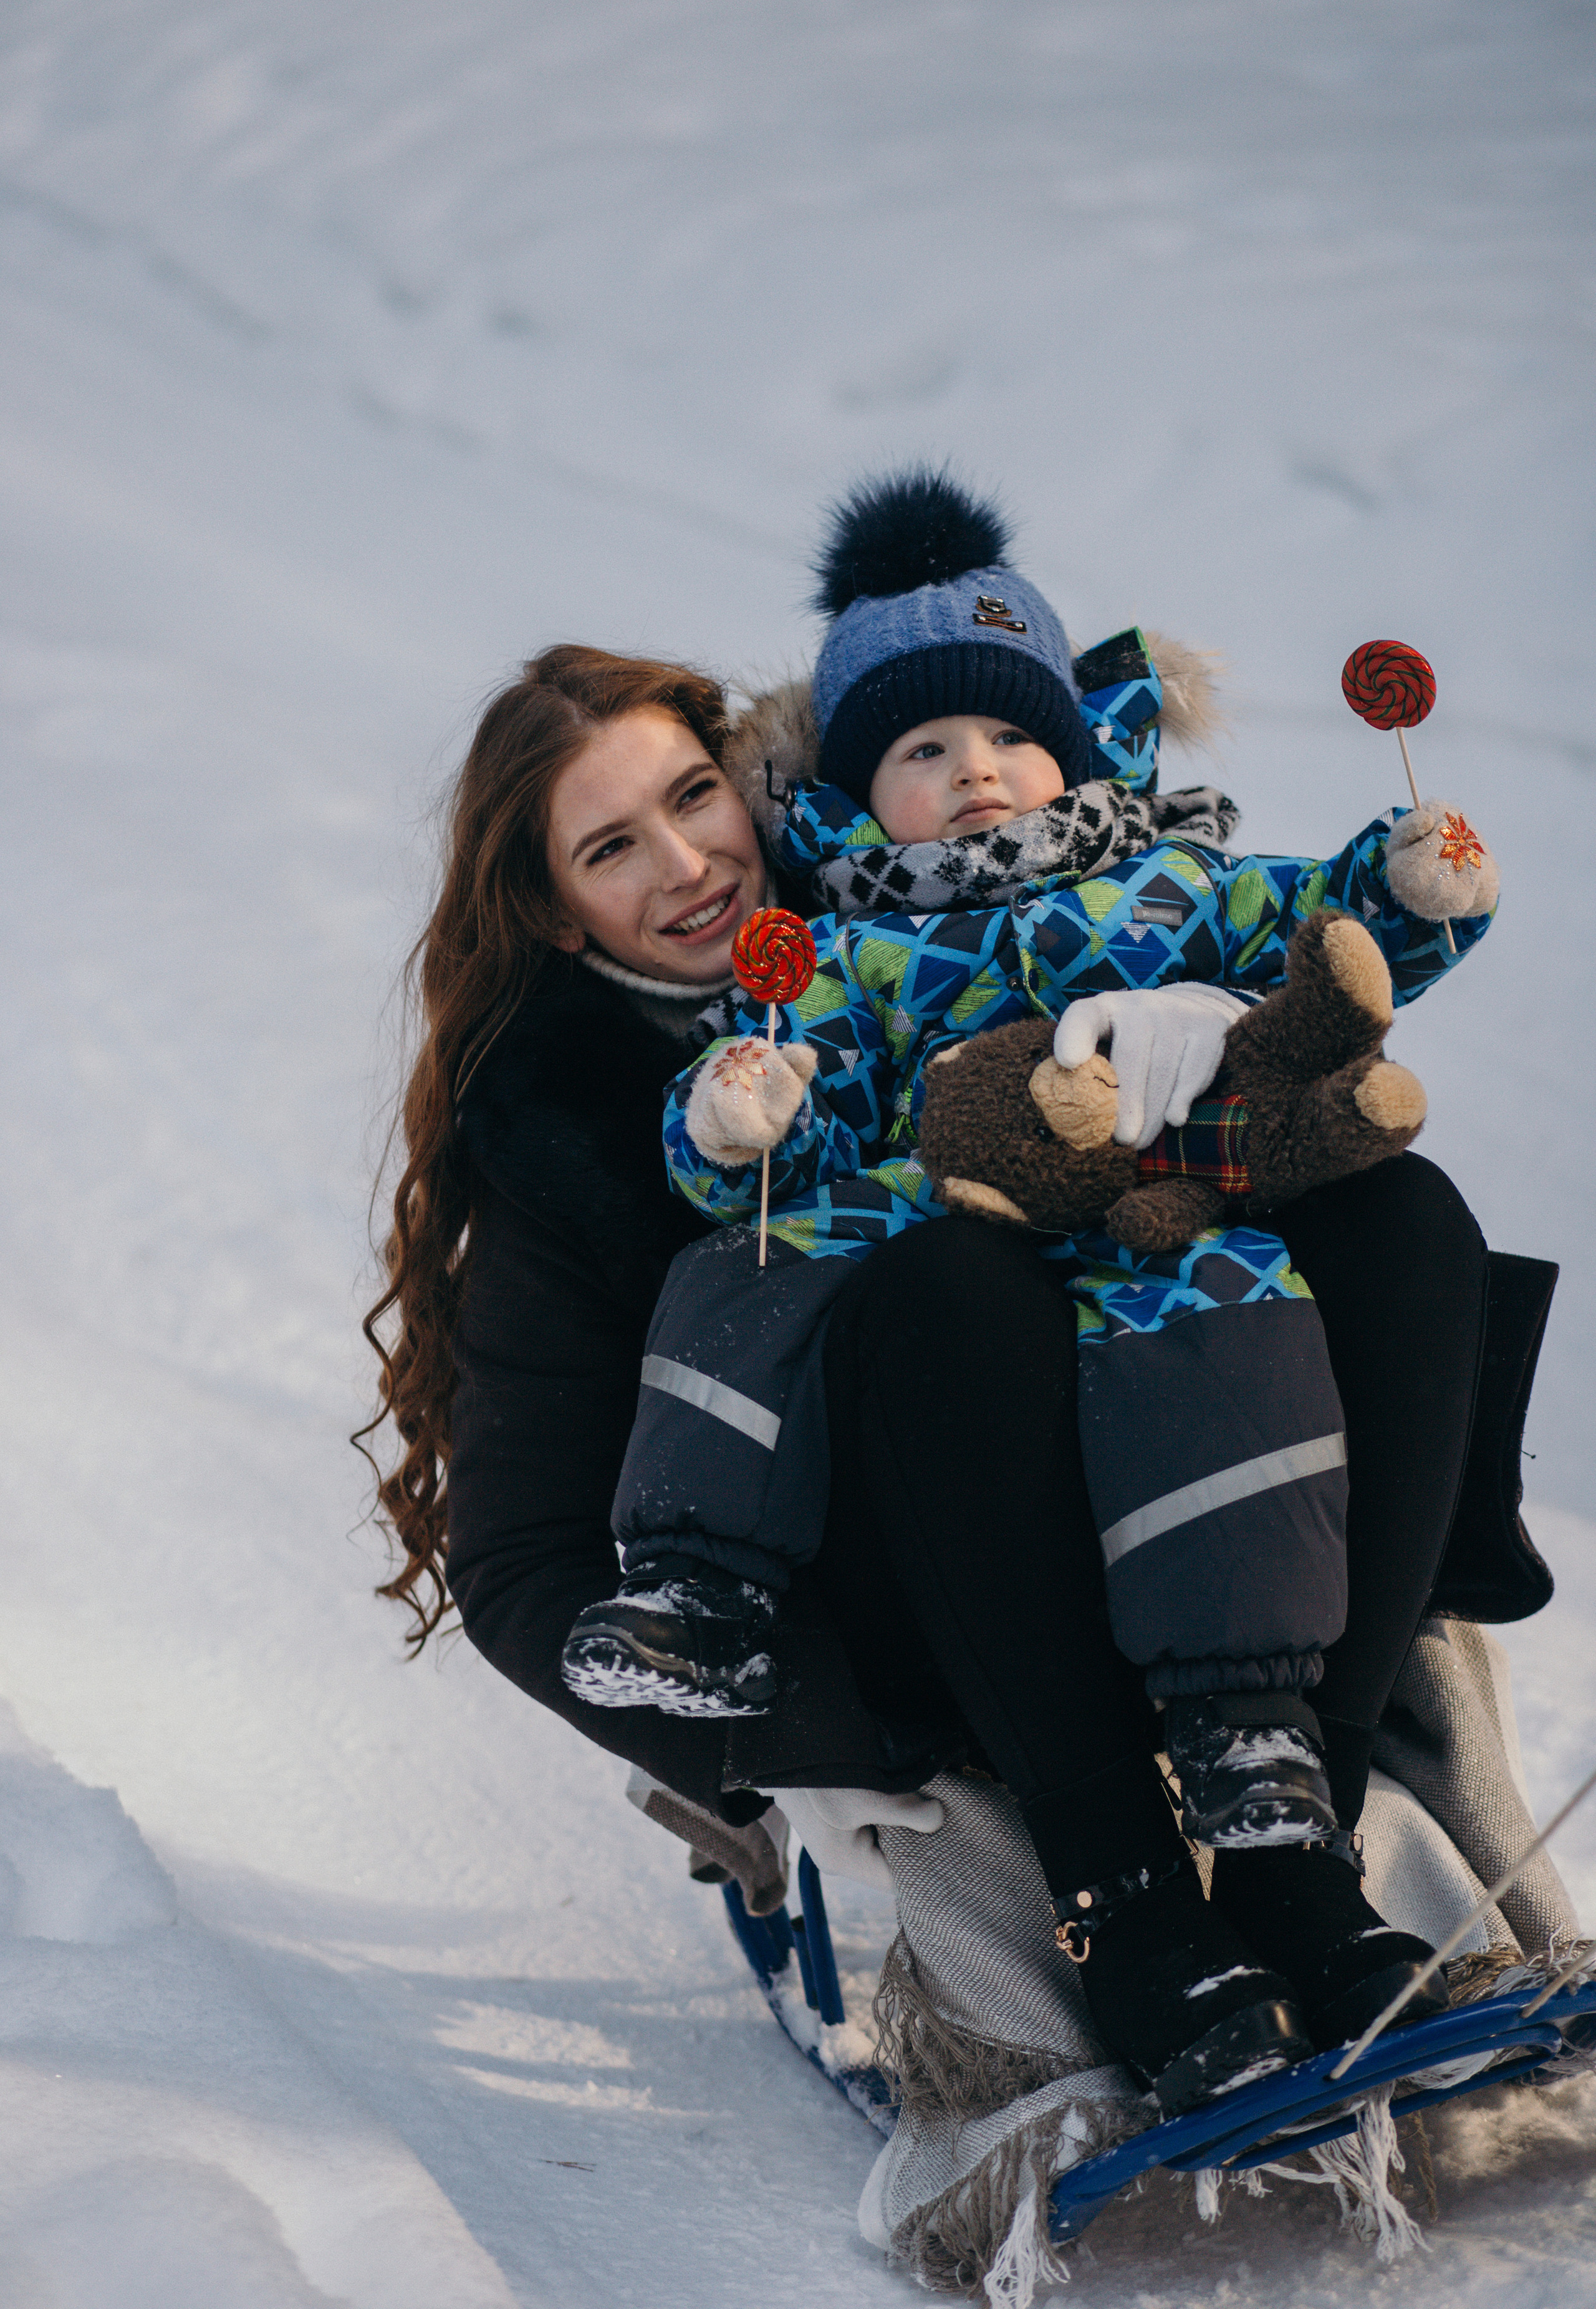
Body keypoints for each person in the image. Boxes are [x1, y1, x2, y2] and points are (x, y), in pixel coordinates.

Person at [360, 606, 1504, 2116]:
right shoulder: (561, 1136)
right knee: (942, 1278)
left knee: (1396, 1210)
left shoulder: (941, 871)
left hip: (1184, 1448)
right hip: (915, 1591)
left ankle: (1301, 1860)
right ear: (562, 915)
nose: (688, 866)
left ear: (754, 785)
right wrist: (836, 1734)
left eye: (692, 799)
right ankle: (1124, 1899)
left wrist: (1225, 1030)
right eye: (611, 849)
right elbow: (521, 1571)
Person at [563, 476, 1496, 1911]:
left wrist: (1405, 883)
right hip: (942, 1221)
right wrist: (745, 1115)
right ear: (856, 794)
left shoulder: (1171, 881)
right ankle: (697, 1581)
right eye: (924, 748)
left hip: (1154, 1210)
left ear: (1078, 743)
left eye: (1010, 733)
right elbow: (795, 1099)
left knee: (1231, 1345)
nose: (977, 770)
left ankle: (1244, 1711)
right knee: (749, 1264)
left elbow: (1319, 931)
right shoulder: (854, 944)